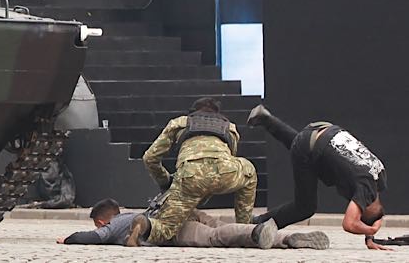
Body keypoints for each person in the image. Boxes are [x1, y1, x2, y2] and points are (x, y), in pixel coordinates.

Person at [247, 104, 391, 251]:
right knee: (305, 207)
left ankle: (265, 118)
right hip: (309, 145)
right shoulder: (364, 191)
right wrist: (370, 231)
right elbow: (349, 224)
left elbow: (371, 209)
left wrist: (369, 239)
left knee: (303, 147)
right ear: (363, 208)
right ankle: (258, 223)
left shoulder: (379, 175)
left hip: (324, 130)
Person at [125, 97, 258, 246]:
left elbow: (149, 158)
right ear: (218, 113)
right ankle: (244, 228)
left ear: (192, 112)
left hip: (190, 177)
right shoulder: (230, 127)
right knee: (249, 172)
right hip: (225, 172)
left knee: (165, 229)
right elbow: (228, 158)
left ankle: (144, 226)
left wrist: (165, 181)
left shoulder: (179, 123)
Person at [56, 197, 329, 249]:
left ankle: (259, 232)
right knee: (219, 224)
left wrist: (68, 239)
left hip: (167, 226)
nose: (99, 228)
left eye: (98, 224)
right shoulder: (130, 213)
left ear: (104, 219)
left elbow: (95, 238)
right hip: (179, 211)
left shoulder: (118, 224)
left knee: (215, 237)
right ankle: (286, 239)